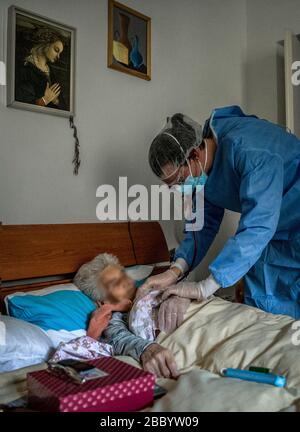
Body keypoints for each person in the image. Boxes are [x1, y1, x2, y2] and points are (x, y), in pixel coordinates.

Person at [144, 106, 300, 329]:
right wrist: (175, 270)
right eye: (172, 186)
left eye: (179, 180)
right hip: (272, 235)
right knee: (263, 312)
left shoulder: (249, 150)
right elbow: (201, 227)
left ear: (194, 155)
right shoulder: (204, 173)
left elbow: (258, 225)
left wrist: (204, 287)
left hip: (281, 225)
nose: (179, 189)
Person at [74, 253, 178, 379]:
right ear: (103, 301)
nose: (126, 281)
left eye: (122, 275)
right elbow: (119, 339)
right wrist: (148, 349)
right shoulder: (115, 318)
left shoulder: (154, 286)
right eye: (115, 283)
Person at [15, 28, 67, 110]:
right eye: (56, 50)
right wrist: (45, 100)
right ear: (46, 45)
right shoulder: (26, 68)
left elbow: (63, 107)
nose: (58, 56)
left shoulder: (51, 71)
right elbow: (23, 104)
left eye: (60, 53)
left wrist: (55, 101)